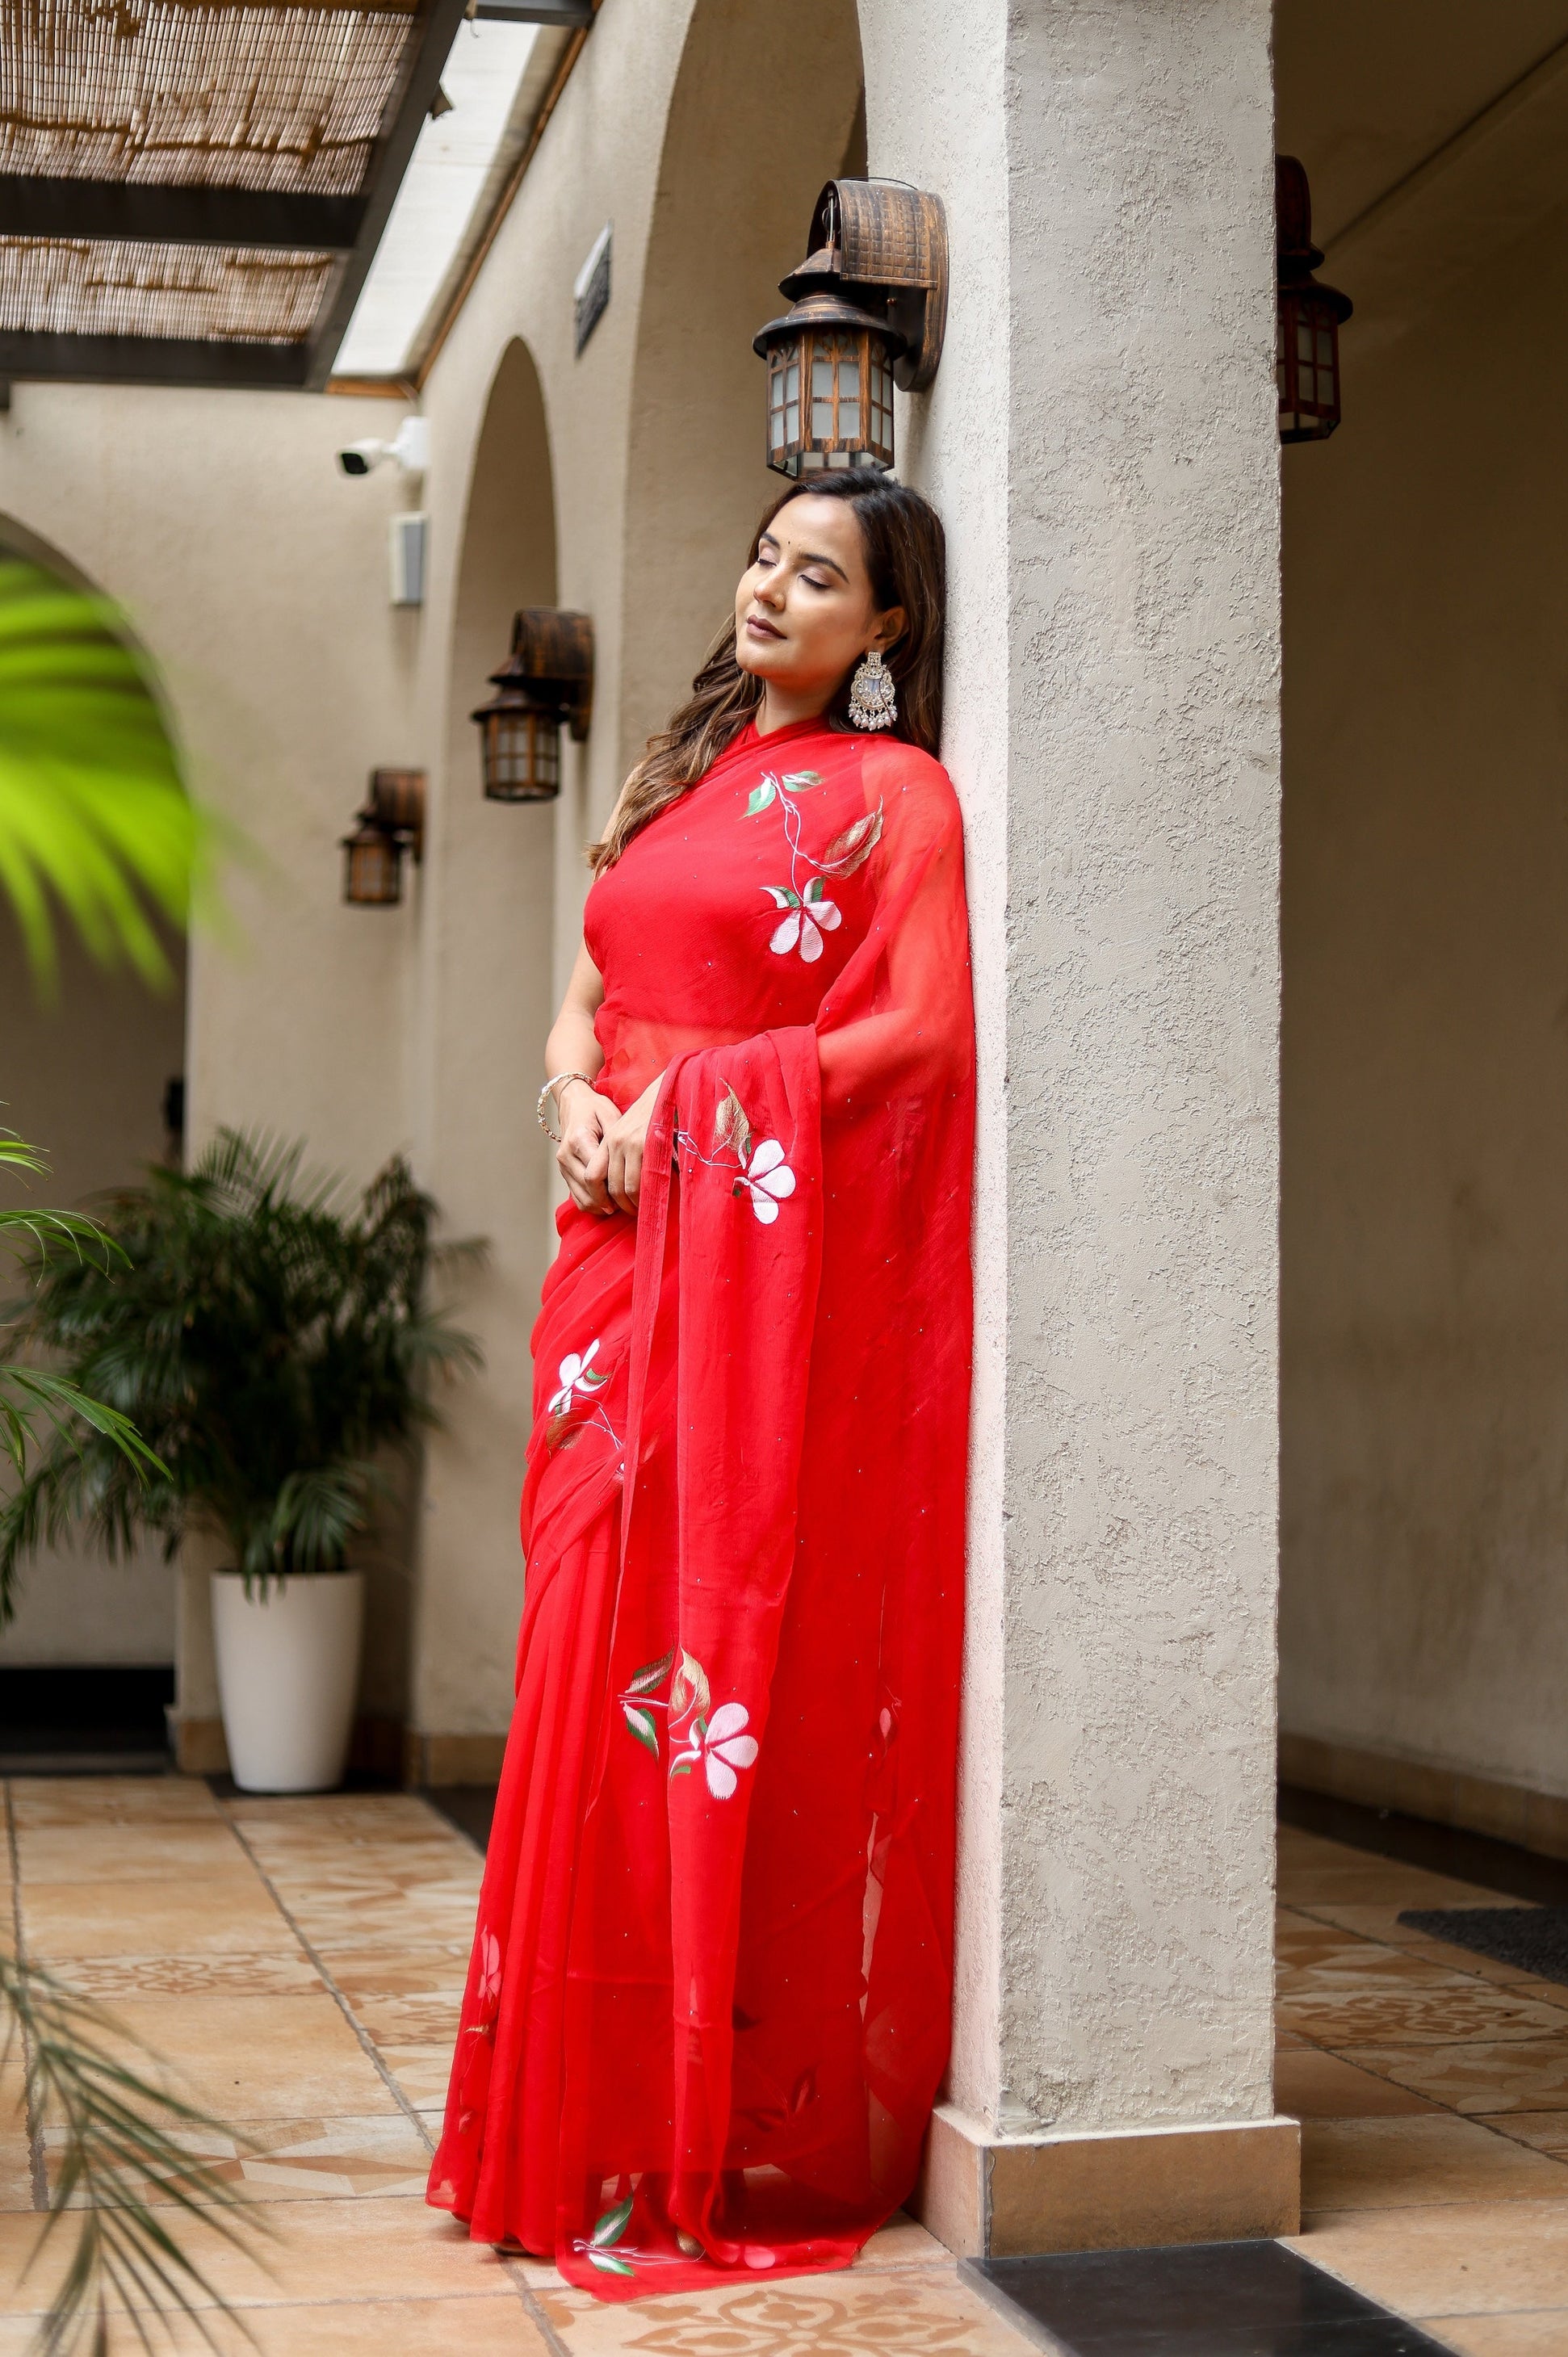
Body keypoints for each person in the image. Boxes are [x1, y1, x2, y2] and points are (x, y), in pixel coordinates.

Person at [428, 468, 975, 2298]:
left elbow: (913, 1028)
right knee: (578, 1644)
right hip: (608, 1260)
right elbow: (588, 976)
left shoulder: (899, 801)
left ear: (884, 627)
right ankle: (554, 2109)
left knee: (676, 1657)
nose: (770, 588)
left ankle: (679, 2118)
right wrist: (578, 1098)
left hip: (734, 1258)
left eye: (817, 576)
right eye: (762, 553)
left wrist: (693, 1103)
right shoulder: (679, 774)